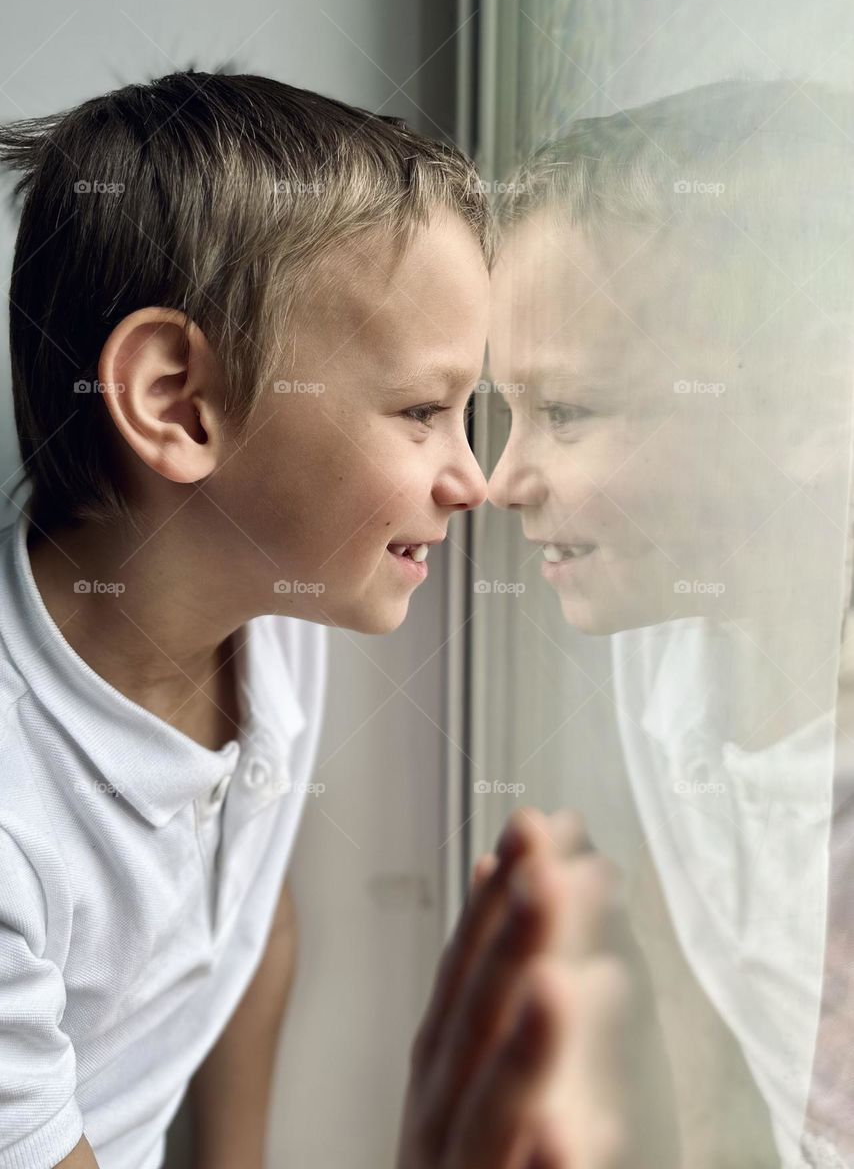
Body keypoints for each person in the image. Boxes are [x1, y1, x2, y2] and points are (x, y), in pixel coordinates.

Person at [0, 67, 645, 1169]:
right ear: (177, 401)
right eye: (419, 411)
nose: (472, 478)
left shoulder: (276, 605)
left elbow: (250, 927)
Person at [486, 78, 854, 1166]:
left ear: (811, 405)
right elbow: (691, 941)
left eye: (568, 411)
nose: (501, 477)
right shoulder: (666, 626)